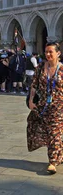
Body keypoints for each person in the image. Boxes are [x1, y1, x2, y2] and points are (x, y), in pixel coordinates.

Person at [27, 42, 63, 174]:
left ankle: (52, 162)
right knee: (40, 129)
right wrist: (31, 100)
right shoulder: (41, 67)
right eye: (46, 52)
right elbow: (34, 85)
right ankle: (60, 151)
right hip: (42, 106)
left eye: (50, 52)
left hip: (59, 107)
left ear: (58, 53)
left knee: (54, 132)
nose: (47, 54)